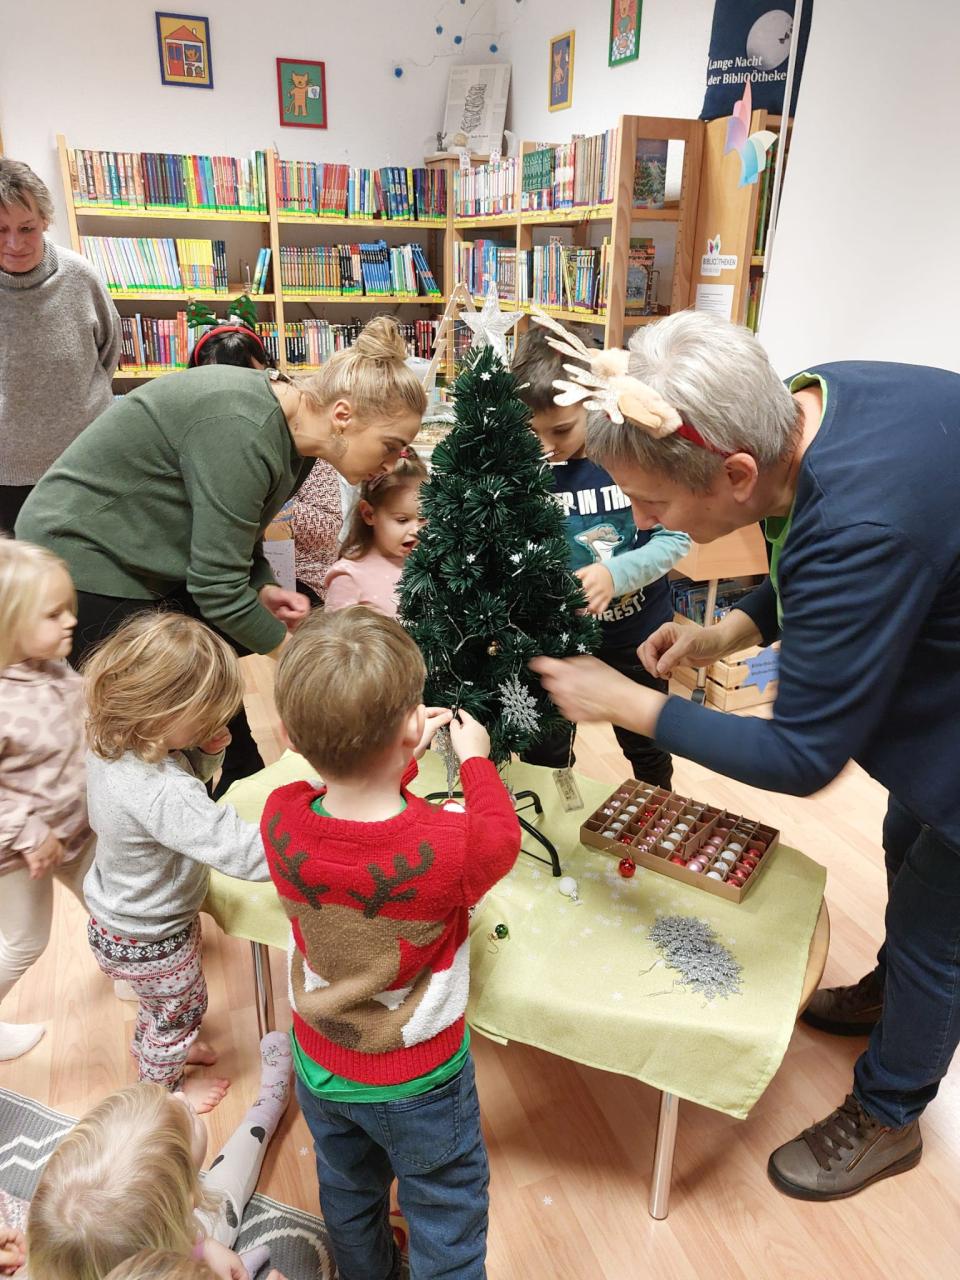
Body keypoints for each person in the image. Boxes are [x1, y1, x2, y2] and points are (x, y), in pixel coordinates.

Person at [529, 309, 960, 1202]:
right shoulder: (811, 399)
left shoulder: (867, 519)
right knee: (907, 833)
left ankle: (889, 1111)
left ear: (734, 471)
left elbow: (804, 757)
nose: (639, 520)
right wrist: (734, 625)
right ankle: (896, 992)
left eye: (653, 507)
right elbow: (808, 542)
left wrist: (634, 705)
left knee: (940, 924)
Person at [16, 316, 427, 792]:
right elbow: (215, 586)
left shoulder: (300, 434)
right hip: (82, 554)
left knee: (207, 683)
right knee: (157, 717)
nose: (394, 461)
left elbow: (233, 535)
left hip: (141, 550)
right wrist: (300, 660)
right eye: (391, 445)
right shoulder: (244, 427)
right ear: (343, 416)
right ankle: (180, 818)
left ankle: (237, 783)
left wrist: (265, 587)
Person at [262, 607, 521, 1280]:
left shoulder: (280, 817)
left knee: (348, 1194)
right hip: (421, 1079)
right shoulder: (451, 843)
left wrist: (391, 757)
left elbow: (350, 818)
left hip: (321, 1062)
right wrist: (475, 763)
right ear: (413, 727)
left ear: (289, 736)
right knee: (447, 1214)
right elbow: (501, 836)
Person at [82, 613, 273, 1112]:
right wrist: (307, 845)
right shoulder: (163, 789)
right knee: (178, 1013)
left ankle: (165, 1050)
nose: (222, 721)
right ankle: (162, 1093)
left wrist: (204, 754)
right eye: (210, 714)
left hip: (120, 919)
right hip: (152, 936)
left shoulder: (113, 744)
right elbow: (235, 848)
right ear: (165, 712)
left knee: (160, 1007)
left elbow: (181, 809)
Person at [511, 323, 689, 786]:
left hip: (637, 636)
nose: (546, 446)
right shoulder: (523, 470)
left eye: (561, 429)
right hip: (556, 641)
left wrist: (616, 574)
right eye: (531, 434)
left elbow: (675, 539)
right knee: (546, 752)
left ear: (593, 403)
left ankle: (658, 817)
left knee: (648, 747)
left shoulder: (632, 457)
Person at [26, 1032, 292, 1280]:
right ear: (187, 1205)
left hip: (180, 1240)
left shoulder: (63, 1257)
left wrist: (202, 1246)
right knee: (224, 1192)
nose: (180, 1095)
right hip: (187, 1248)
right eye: (190, 1116)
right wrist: (205, 1253)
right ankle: (265, 1110)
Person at [0, 539, 91, 1062]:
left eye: (69, 609)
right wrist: (30, 832)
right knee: (24, 942)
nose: (70, 622)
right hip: (20, 853)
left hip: (76, 830)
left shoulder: (52, 666)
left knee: (108, 904)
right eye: (53, 614)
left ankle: (135, 973)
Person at [187, 308, 343, 608]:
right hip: (218, 580)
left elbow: (328, 530)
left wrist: (269, 496)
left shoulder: (302, 437)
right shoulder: (194, 440)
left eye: (250, 383)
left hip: (299, 578)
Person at [0, 158, 120, 531]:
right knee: (19, 584)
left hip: (83, 466)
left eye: (27, 228)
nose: (14, 243)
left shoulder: (80, 277)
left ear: (46, 222)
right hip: (5, 475)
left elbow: (109, 353)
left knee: (82, 580)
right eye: (0, 230)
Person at [323, 451, 427, 616]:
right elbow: (336, 637)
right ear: (369, 514)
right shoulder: (349, 576)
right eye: (402, 520)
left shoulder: (428, 566)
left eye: (423, 519)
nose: (416, 530)